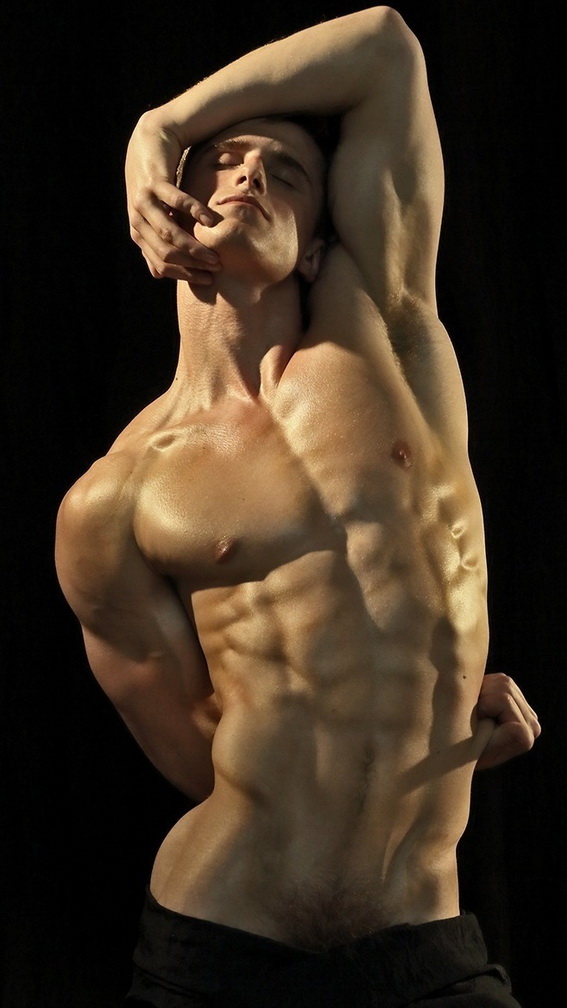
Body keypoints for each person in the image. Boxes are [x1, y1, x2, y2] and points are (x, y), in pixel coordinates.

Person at [55, 7, 541, 1007]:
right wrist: (388, 740)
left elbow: (384, 48)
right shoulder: (113, 498)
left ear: (318, 249)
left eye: (287, 173)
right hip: (218, 946)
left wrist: (162, 123)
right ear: (168, 208)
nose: (249, 176)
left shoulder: (392, 347)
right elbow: (204, 753)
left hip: (423, 945)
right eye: (220, 163)